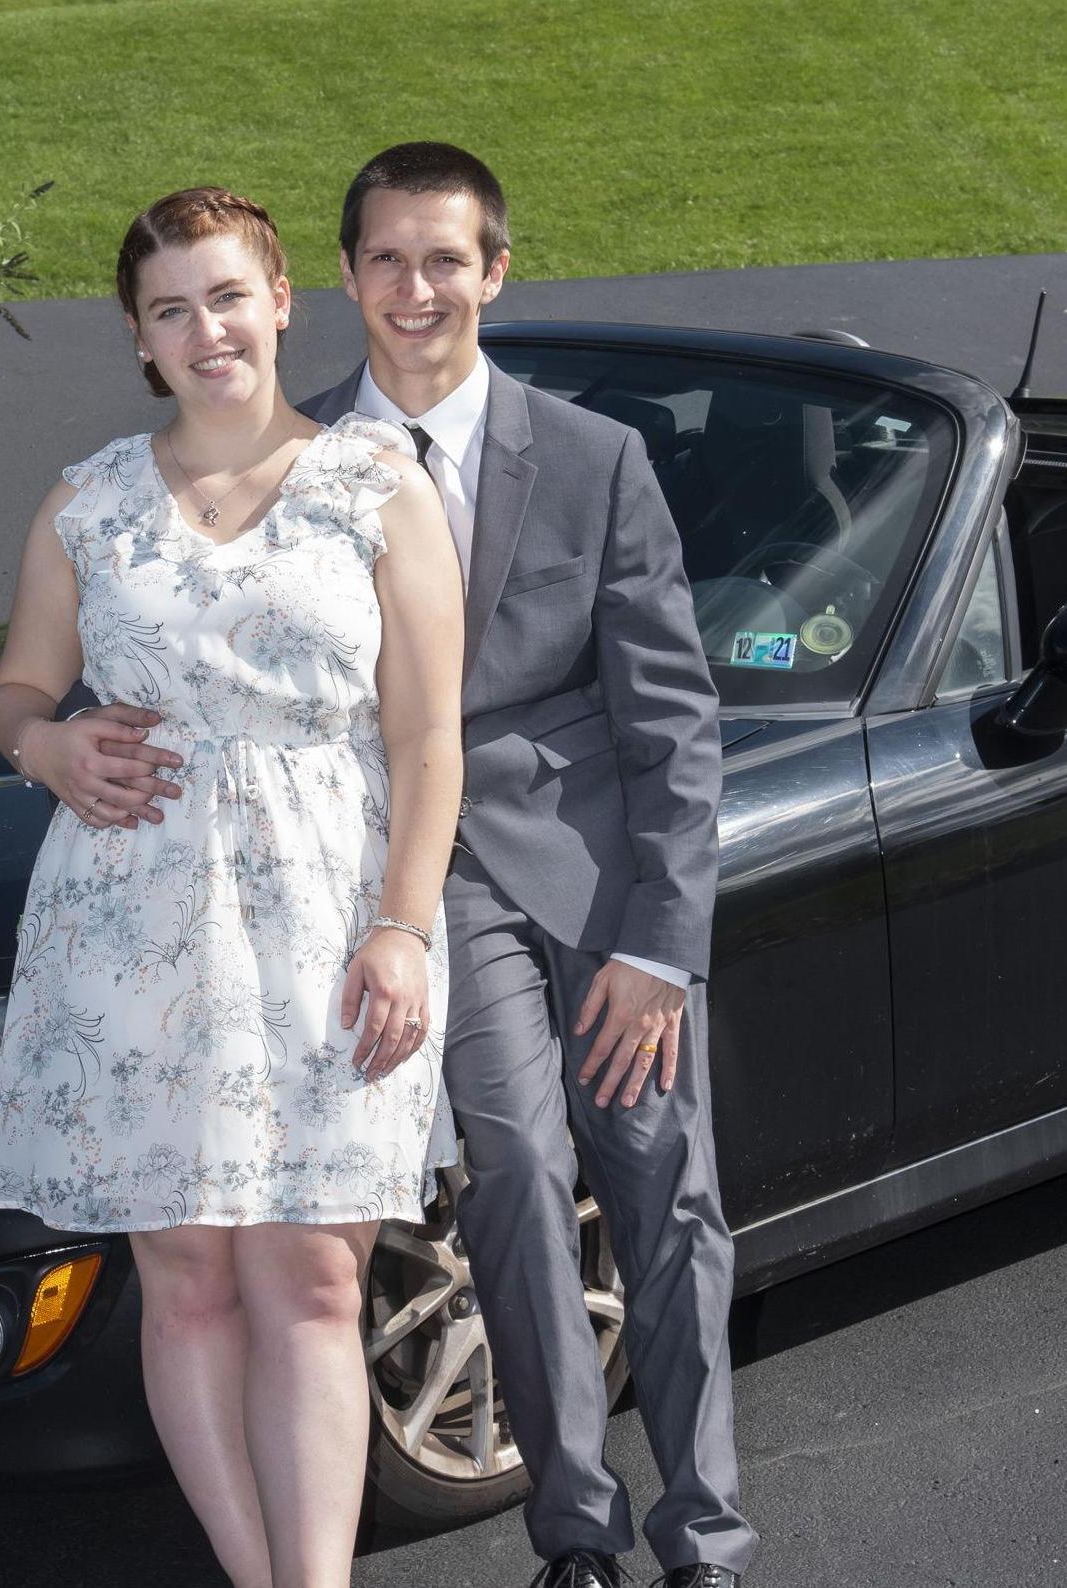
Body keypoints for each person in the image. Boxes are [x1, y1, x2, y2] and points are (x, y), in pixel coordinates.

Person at [0, 187, 464, 1588]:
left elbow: (430, 737)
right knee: (185, 1283)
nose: (207, 330)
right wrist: (48, 743)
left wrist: (405, 928)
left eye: (227, 296)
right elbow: (16, 689)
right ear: (139, 337)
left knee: (311, 1275)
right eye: (171, 309)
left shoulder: (378, 487)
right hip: (128, 924)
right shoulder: (90, 499)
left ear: (283, 299)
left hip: (325, 916)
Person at [299, 145, 757, 1587]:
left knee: (662, 1190)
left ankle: (708, 1536)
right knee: (510, 1174)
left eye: (446, 260)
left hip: (604, 879)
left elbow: (674, 718)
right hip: (440, 890)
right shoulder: (298, 462)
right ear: (350, 274)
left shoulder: (592, 456)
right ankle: (576, 1532)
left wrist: (661, 944)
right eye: (387, 259)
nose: (416, 288)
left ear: (496, 271)